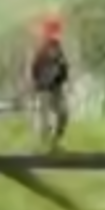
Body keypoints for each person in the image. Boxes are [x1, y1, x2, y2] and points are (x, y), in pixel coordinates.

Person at [30, 17, 70, 148]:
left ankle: (55, 141)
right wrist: (41, 82)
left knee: (63, 114)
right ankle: (45, 144)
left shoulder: (58, 49)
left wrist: (62, 76)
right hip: (44, 88)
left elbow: (64, 68)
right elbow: (35, 69)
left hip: (56, 87)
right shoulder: (41, 49)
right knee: (44, 119)